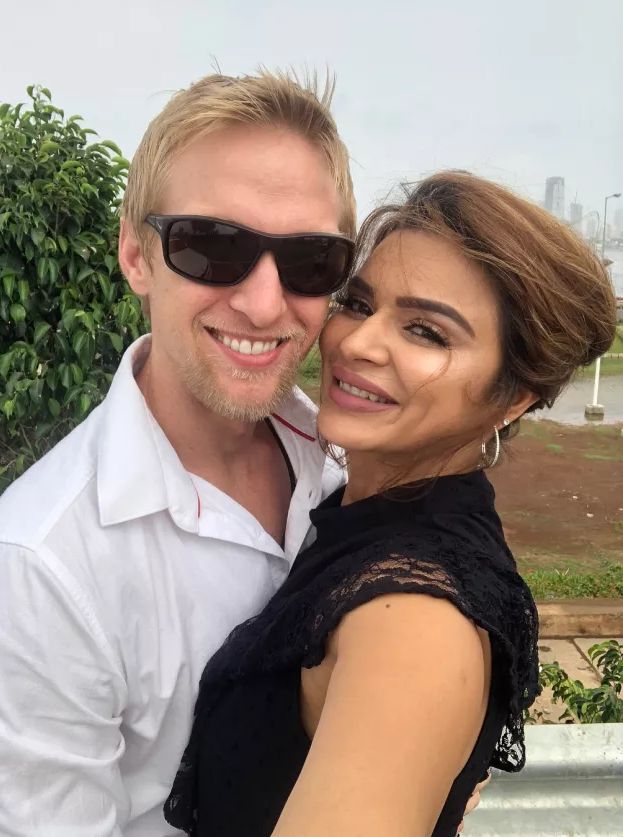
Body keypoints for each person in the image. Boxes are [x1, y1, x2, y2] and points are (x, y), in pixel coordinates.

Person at [0, 71, 355, 837]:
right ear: (135, 254)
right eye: (212, 246)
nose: (264, 304)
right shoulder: (38, 575)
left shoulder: (343, 468)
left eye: (310, 260)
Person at [163, 172, 619, 837]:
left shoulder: (412, 623)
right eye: (356, 302)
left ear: (513, 396)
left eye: (427, 332)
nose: (356, 343)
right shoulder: (366, 512)